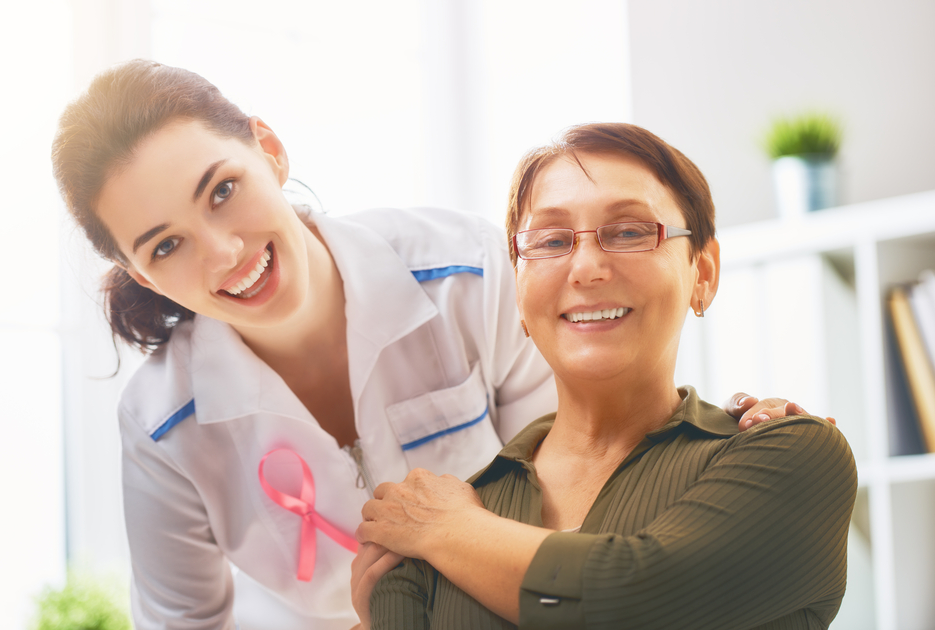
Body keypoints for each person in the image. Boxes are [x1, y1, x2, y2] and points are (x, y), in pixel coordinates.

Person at [52, 61, 815, 630]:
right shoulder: (162, 424)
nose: (223, 253)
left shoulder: (469, 274)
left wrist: (719, 439)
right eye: (165, 246)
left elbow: (598, 477)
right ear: (138, 272)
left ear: (269, 150)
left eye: (223, 190)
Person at [359, 123, 857, 629]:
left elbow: (633, 602)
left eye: (629, 232)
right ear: (519, 293)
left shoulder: (794, 456)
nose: (586, 268)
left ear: (703, 272)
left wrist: (451, 531)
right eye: (551, 241)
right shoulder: (427, 532)